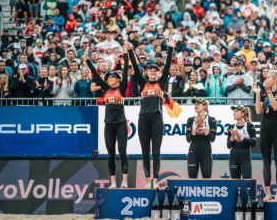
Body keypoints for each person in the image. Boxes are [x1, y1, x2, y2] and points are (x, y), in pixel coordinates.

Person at [127, 38, 175, 189]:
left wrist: (170, 48)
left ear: (158, 73)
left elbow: (167, 68)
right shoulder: (143, 83)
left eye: (155, 71)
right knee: (145, 152)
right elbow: (135, 66)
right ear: (147, 72)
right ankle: (148, 181)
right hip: (143, 119)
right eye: (150, 71)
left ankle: (155, 180)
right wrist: (130, 51)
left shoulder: (161, 83)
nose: (153, 73)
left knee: (156, 152)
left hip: (157, 118)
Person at [83, 47, 129, 189]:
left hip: (121, 124)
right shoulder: (105, 89)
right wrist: (87, 60)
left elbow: (126, 70)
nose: (109, 79)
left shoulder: (121, 88)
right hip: (108, 124)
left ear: (117, 80)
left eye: (112, 78)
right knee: (111, 154)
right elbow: (96, 76)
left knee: (122, 152)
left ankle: (125, 182)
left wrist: (126, 55)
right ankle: (113, 182)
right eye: (108, 78)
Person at [253, 70, 277, 201]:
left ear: (275, 79)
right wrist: (258, 94)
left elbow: (275, 107)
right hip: (265, 128)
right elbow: (258, 110)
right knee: (266, 161)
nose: (266, 79)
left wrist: (268, 91)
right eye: (266, 77)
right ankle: (268, 193)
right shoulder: (262, 91)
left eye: (268, 77)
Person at [186, 98, 217, 178]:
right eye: (195, 104)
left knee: (206, 178)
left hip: (206, 152)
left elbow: (212, 138)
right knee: (192, 179)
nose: (195, 106)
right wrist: (196, 127)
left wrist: (202, 127)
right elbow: (188, 139)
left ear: (204, 106)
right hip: (193, 152)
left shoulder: (211, 119)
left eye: (198, 104)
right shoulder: (190, 120)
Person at [227, 105, 256, 179]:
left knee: (247, 182)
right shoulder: (231, 127)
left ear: (243, 114)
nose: (234, 113)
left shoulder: (249, 126)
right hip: (233, 157)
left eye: (236, 111)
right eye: (233, 112)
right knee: (234, 183)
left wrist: (243, 139)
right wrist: (232, 138)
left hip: (245, 157)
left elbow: (253, 143)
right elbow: (228, 146)